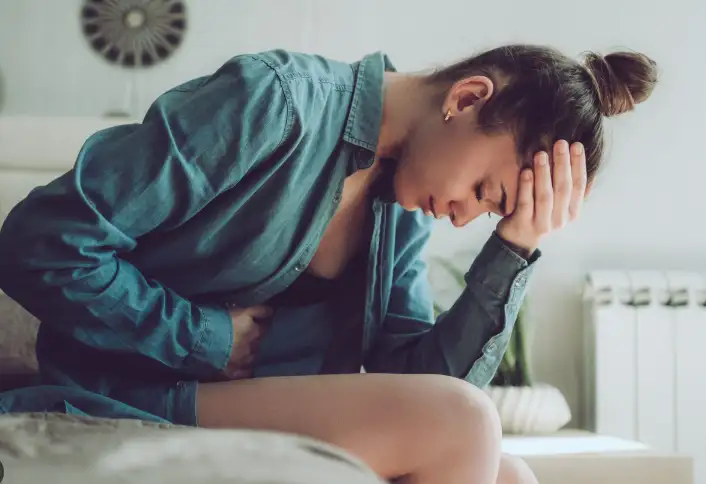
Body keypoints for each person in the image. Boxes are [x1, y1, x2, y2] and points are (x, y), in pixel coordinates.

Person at [0, 43, 657, 483]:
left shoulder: (404, 205)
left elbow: (423, 383)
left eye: (488, 211)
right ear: (465, 99)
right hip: (130, 387)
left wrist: (514, 246)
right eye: (485, 190)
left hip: (256, 405)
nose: (464, 216)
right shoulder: (272, 102)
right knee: (467, 423)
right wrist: (203, 336)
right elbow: (43, 241)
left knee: (510, 474)